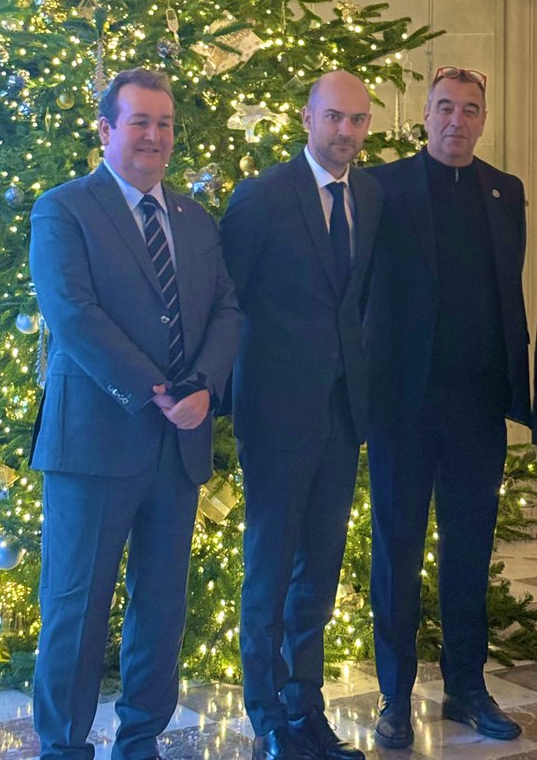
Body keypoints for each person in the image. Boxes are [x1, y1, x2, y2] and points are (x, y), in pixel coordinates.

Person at [29, 67, 241, 760]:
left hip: (178, 444)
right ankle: (64, 746)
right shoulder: (64, 209)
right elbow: (73, 314)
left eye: (165, 123)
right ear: (106, 129)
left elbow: (227, 308)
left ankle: (141, 739)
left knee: (161, 605)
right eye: (140, 121)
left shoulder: (194, 218)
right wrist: (156, 389)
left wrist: (204, 385)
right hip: (94, 442)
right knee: (76, 604)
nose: (155, 135)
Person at [365, 66, 532, 749]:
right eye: (444, 107)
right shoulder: (382, 187)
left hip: (476, 404)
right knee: (396, 552)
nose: (456, 120)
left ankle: (467, 688)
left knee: (468, 551)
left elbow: (505, 291)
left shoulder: (504, 191)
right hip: (401, 405)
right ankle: (394, 697)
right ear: (424, 116)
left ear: (482, 119)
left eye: (469, 109)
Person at [220, 70, 382, 760]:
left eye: (357, 120)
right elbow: (226, 301)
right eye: (334, 117)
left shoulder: (368, 196)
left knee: (318, 572)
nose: (345, 131)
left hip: (342, 414)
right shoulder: (261, 197)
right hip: (275, 415)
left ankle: (305, 707)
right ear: (307, 118)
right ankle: (267, 717)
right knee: (270, 569)